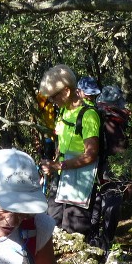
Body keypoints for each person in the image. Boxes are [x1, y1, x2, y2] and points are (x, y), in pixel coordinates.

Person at [38, 66, 102, 238]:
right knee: (49, 227)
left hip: (80, 184)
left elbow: (90, 155)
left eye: (53, 96)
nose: (52, 101)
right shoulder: (65, 110)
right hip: (60, 180)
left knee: (74, 233)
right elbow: (62, 144)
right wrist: (51, 166)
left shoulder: (88, 116)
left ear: (66, 91)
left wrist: (58, 165)